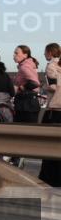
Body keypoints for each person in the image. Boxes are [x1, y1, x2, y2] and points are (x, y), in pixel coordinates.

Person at [38, 43, 61, 186]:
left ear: (50, 53)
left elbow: (52, 86)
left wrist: (44, 86)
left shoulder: (51, 66)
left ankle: (48, 178)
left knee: (47, 147)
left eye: (45, 52)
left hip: (54, 110)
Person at [12, 45, 42, 124]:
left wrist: (19, 88)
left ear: (25, 55)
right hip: (28, 104)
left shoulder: (25, 66)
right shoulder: (27, 65)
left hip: (26, 105)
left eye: (16, 53)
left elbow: (35, 83)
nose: (14, 55)